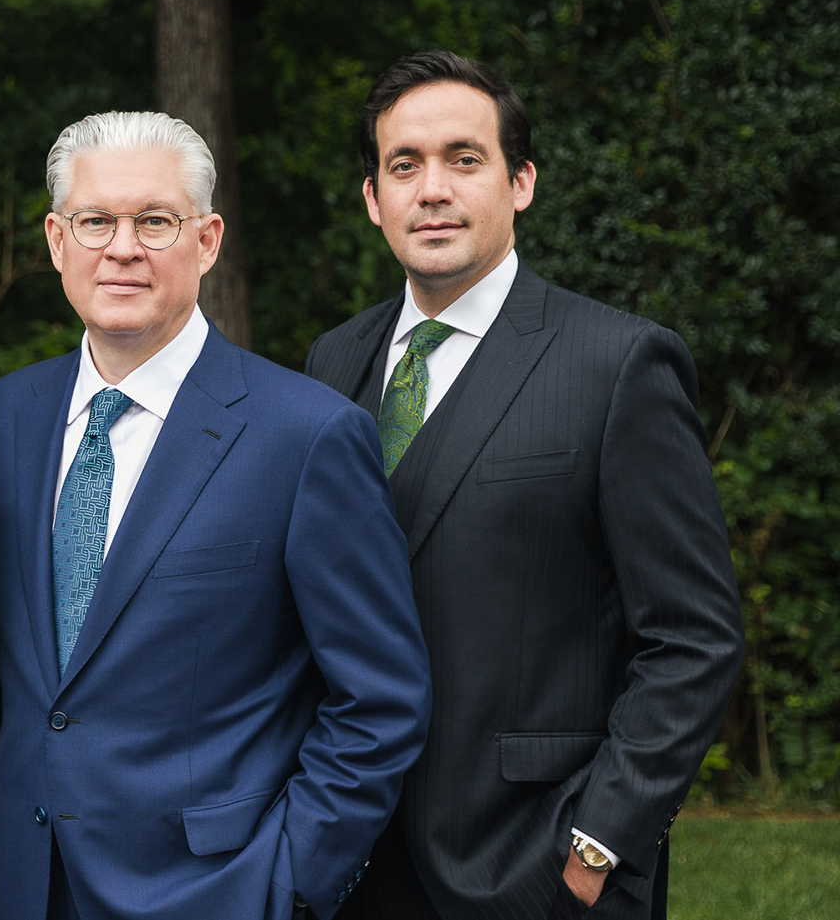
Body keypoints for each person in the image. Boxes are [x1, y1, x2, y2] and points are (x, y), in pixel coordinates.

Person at [0, 111, 431, 920]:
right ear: (57, 239)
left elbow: (380, 699)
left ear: (206, 240)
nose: (123, 246)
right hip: (23, 886)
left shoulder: (305, 436)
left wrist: (291, 880)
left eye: (155, 221)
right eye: (95, 220)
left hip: (218, 889)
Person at [303, 50, 745, 920]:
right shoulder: (332, 362)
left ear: (522, 183)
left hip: (536, 870)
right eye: (405, 165)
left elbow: (694, 637)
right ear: (372, 199)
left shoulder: (616, 363)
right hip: (351, 866)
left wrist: (599, 842)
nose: (432, 189)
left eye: (464, 159)